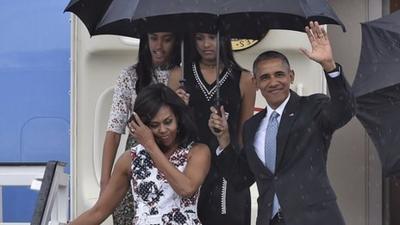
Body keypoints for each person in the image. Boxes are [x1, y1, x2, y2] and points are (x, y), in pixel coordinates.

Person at [209, 21, 355, 225]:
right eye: (265, 77)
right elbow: (240, 179)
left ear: (291, 76)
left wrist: (329, 66)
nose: (273, 82)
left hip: (313, 219)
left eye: (279, 74)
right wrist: (224, 140)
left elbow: (344, 111)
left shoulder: (312, 107)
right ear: (256, 83)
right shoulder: (251, 127)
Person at [70, 83, 211, 225]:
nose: (163, 130)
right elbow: (99, 212)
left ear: (178, 119)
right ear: (142, 125)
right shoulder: (130, 159)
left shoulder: (197, 151)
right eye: (154, 125)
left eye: (168, 122)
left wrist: (150, 146)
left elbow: (186, 189)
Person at [169, 33, 256, 225]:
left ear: (224, 38)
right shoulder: (179, 76)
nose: (206, 44)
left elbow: (244, 135)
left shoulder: (244, 78)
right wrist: (177, 108)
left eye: (212, 37)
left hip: (227, 170)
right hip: (188, 169)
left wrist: (240, 173)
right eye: (199, 38)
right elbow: (168, 132)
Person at [101, 32, 181, 224]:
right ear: (145, 40)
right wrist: (105, 183)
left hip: (174, 163)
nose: (159, 45)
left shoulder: (185, 74)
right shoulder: (130, 75)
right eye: (153, 38)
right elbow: (114, 130)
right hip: (136, 163)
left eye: (167, 39)